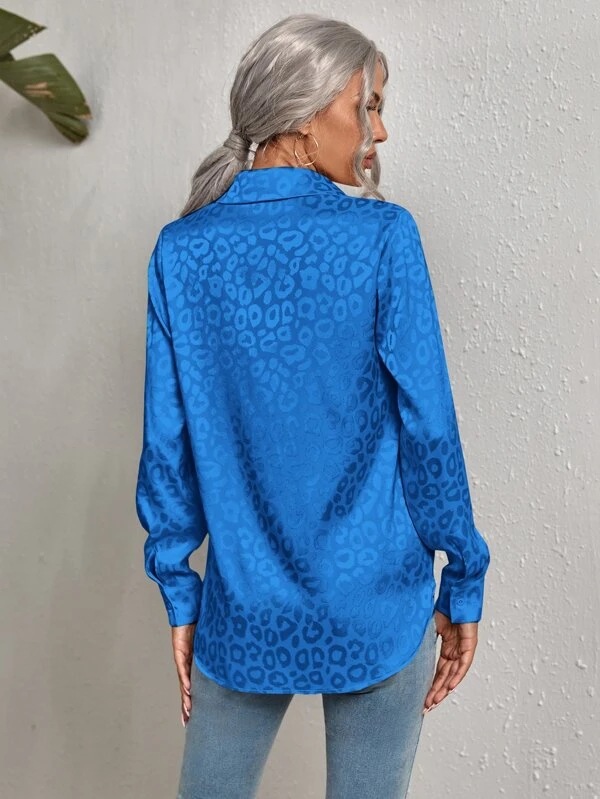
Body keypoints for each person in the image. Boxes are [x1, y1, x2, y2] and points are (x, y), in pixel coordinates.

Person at [135, 12, 491, 799]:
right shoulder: (384, 237)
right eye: (370, 106)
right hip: (378, 605)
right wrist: (463, 575)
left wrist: (181, 590)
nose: (380, 131)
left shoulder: (180, 252)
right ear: (304, 113)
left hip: (244, 609)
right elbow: (429, 430)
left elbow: (168, 447)